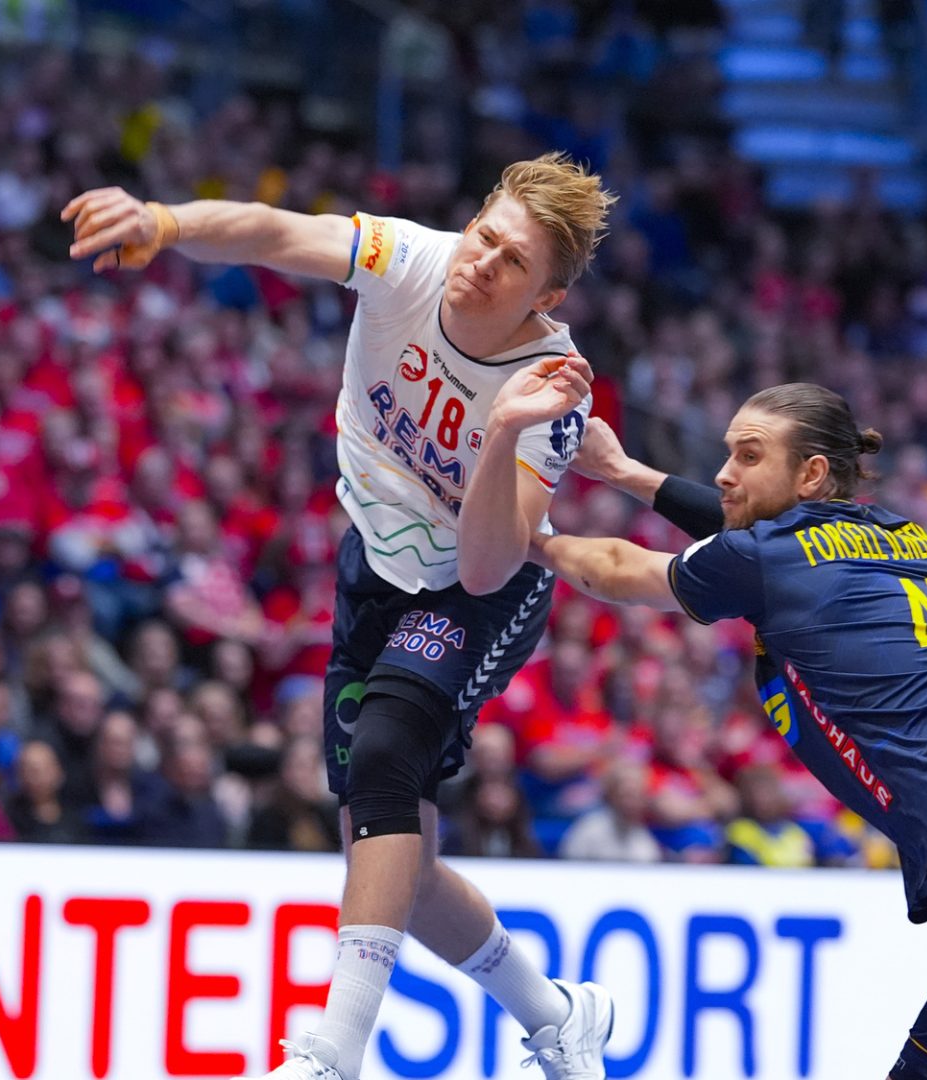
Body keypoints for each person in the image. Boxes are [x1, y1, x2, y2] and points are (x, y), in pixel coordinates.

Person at [62, 155, 618, 1080]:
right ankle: (560, 1017)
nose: (483, 262)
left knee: (385, 760)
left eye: (514, 261)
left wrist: (502, 430)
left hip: (480, 590)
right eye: (485, 235)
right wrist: (164, 221)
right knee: (394, 862)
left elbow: (488, 565)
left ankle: (333, 1052)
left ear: (547, 295)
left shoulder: (553, 388)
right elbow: (280, 232)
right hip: (375, 568)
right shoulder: (409, 259)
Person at [504, 381, 927, 1080]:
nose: (725, 474)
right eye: (728, 454)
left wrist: (523, 538)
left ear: (811, 474)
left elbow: (620, 567)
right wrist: (625, 473)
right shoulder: (902, 536)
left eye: (749, 456)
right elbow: (742, 535)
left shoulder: (771, 562)